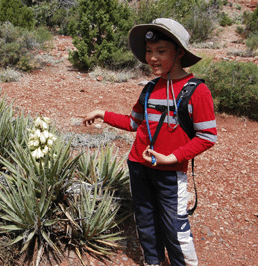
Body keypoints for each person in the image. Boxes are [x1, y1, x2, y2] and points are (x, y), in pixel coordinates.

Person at [81, 18, 217, 266]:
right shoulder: (150, 88)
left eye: (161, 51)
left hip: (170, 172)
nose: (152, 58)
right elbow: (134, 123)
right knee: (145, 222)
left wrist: (173, 157)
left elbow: (207, 136)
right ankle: (152, 262)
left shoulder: (197, 91)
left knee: (175, 228)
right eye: (149, 51)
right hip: (138, 166)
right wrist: (103, 113)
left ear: (179, 52)